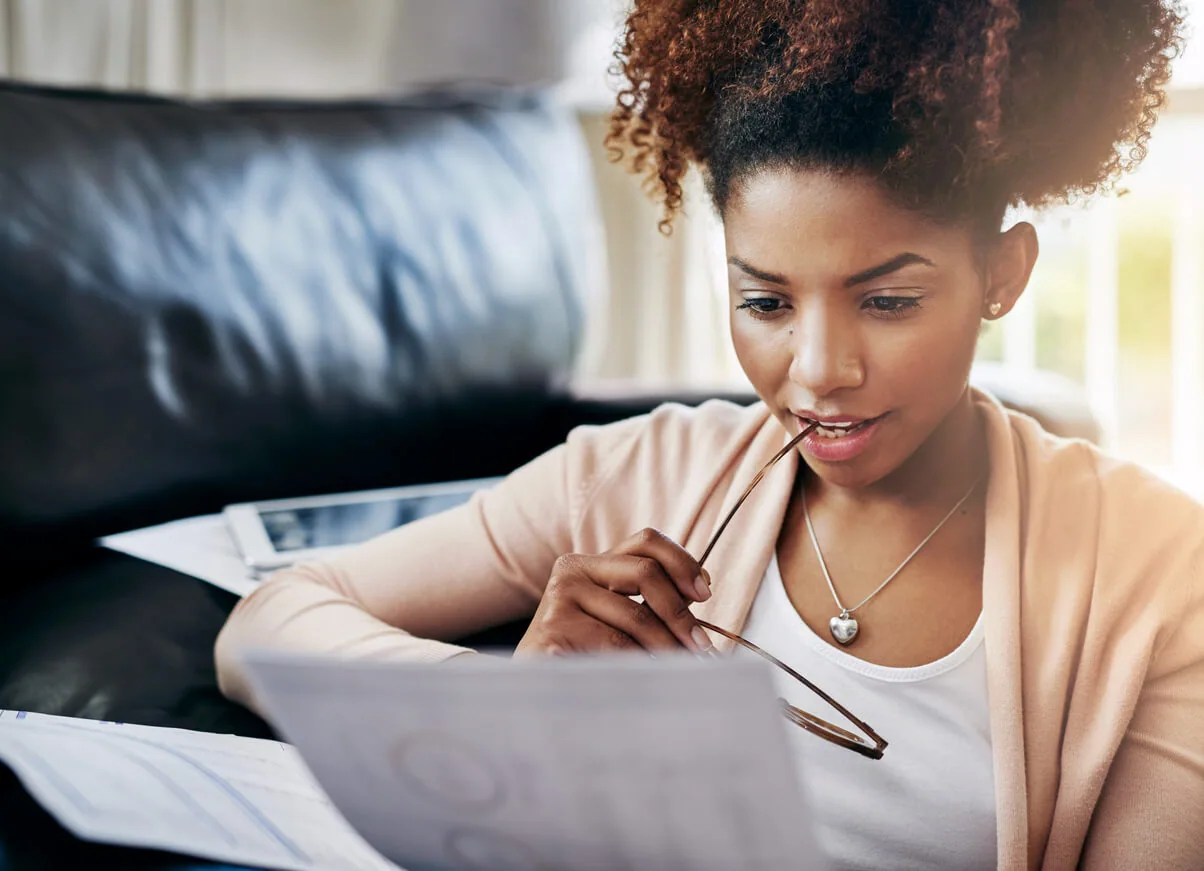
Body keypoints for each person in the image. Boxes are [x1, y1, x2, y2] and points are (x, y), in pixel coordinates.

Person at [216, 1, 1204, 868]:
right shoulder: (638, 474)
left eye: (888, 300)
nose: (817, 370)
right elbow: (270, 620)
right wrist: (501, 707)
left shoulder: (1158, 573)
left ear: (1003, 274)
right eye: (765, 300)